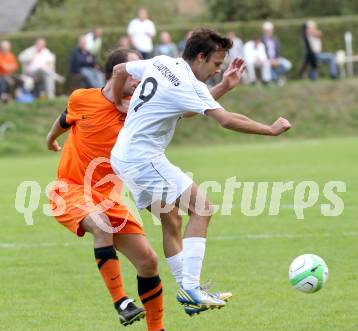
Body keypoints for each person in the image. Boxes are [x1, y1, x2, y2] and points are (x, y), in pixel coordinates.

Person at [110, 29, 291, 315]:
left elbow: (120, 69)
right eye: (217, 65)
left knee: (172, 221)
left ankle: (189, 290)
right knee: (203, 208)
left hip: (122, 157)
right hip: (144, 159)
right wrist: (270, 129)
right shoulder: (186, 81)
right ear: (201, 57)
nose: (218, 70)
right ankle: (192, 290)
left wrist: (117, 99)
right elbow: (227, 120)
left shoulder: (161, 62)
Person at [46, 48, 191, 331]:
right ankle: (122, 301)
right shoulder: (82, 98)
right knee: (100, 225)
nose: (140, 78)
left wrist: (223, 88)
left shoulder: (138, 109)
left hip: (109, 197)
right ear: (117, 74)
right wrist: (50, 140)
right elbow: (64, 119)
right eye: (134, 73)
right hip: (70, 189)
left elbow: (188, 109)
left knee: (148, 261)